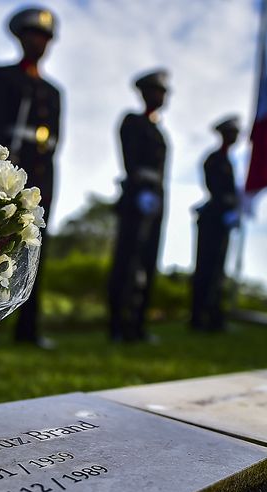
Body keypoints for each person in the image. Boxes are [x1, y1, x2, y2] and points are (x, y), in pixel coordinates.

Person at [0, 6, 61, 349]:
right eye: (33, 35)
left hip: (41, 173)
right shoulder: (2, 75)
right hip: (7, 170)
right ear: (20, 37)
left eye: (44, 37)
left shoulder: (53, 91)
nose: (39, 42)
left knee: (34, 246)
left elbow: (57, 137)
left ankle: (27, 329)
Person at [108, 69, 169, 342]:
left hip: (156, 197)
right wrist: (139, 187)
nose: (160, 96)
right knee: (127, 260)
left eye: (163, 92)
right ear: (144, 93)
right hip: (136, 195)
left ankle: (138, 324)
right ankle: (118, 325)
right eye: (156, 91)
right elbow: (130, 159)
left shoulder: (159, 131)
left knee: (148, 260)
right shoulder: (132, 121)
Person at [190, 116, 240, 332]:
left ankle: (214, 317)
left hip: (223, 220)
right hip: (213, 219)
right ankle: (199, 317)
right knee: (206, 268)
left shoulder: (229, 161)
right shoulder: (214, 159)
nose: (236, 137)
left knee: (218, 270)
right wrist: (227, 204)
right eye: (232, 133)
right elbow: (216, 189)